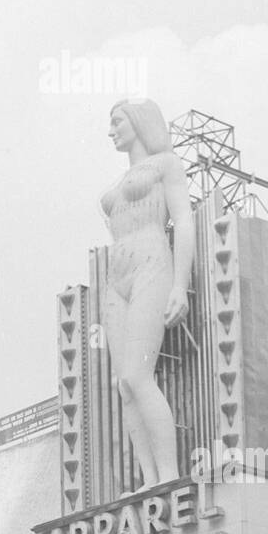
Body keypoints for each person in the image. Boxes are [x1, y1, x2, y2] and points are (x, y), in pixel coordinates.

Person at [100, 98, 194, 491]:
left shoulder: (166, 165)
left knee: (139, 375)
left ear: (139, 122)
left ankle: (168, 476)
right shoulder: (118, 184)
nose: (111, 131)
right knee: (125, 384)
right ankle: (149, 479)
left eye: (117, 121)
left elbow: (184, 218)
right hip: (116, 277)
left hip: (152, 264)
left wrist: (179, 284)